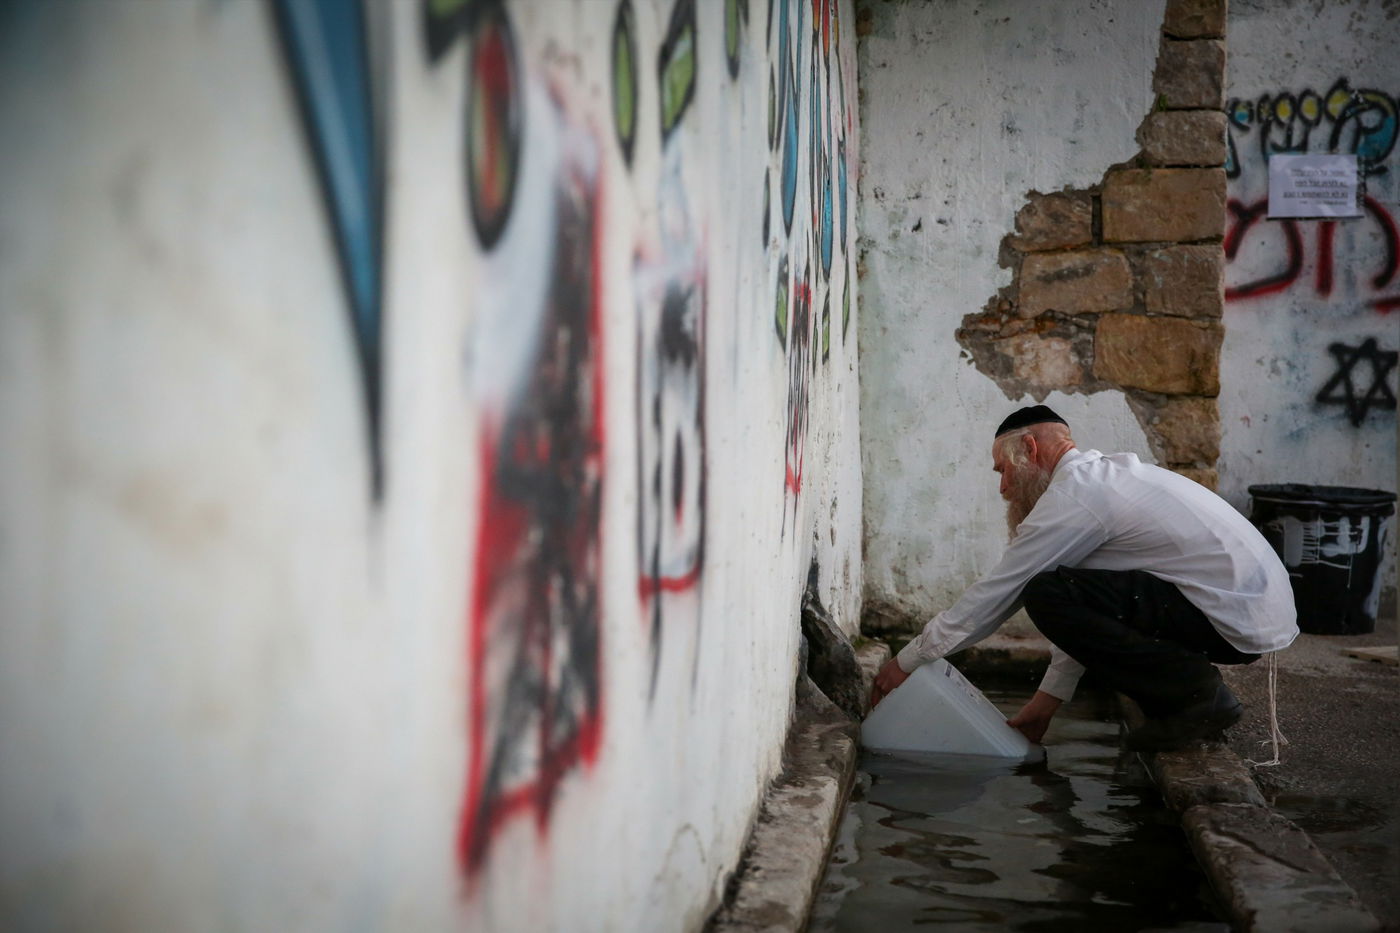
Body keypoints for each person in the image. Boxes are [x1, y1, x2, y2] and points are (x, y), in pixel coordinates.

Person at [869, 405, 1298, 751]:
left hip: (1236, 617)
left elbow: (996, 596)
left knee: (1042, 593)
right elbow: (1089, 613)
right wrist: (1044, 704)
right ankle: (1183, 697)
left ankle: (1198, 697)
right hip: (1248, 614)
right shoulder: (1099, 481)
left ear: (1031, 449)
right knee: (1060, 590)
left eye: (1002, 470)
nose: (1002, 488)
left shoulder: (1076, 495)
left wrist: (906, 662)